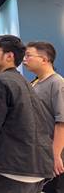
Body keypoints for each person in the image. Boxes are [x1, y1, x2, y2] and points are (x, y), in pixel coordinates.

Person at [0, 35, 53, 193]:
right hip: (36, 167)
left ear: (9, 56)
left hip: (12, 168)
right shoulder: (24, 82)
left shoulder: (0, 81)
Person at [24, 41, 64, 193]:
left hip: (54, 153)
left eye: (29, 55)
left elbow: (61, 122)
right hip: (39, 152)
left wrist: (56, 155)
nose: (24, 59)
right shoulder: (34, 83)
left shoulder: (57, 83)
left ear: (44, 59)